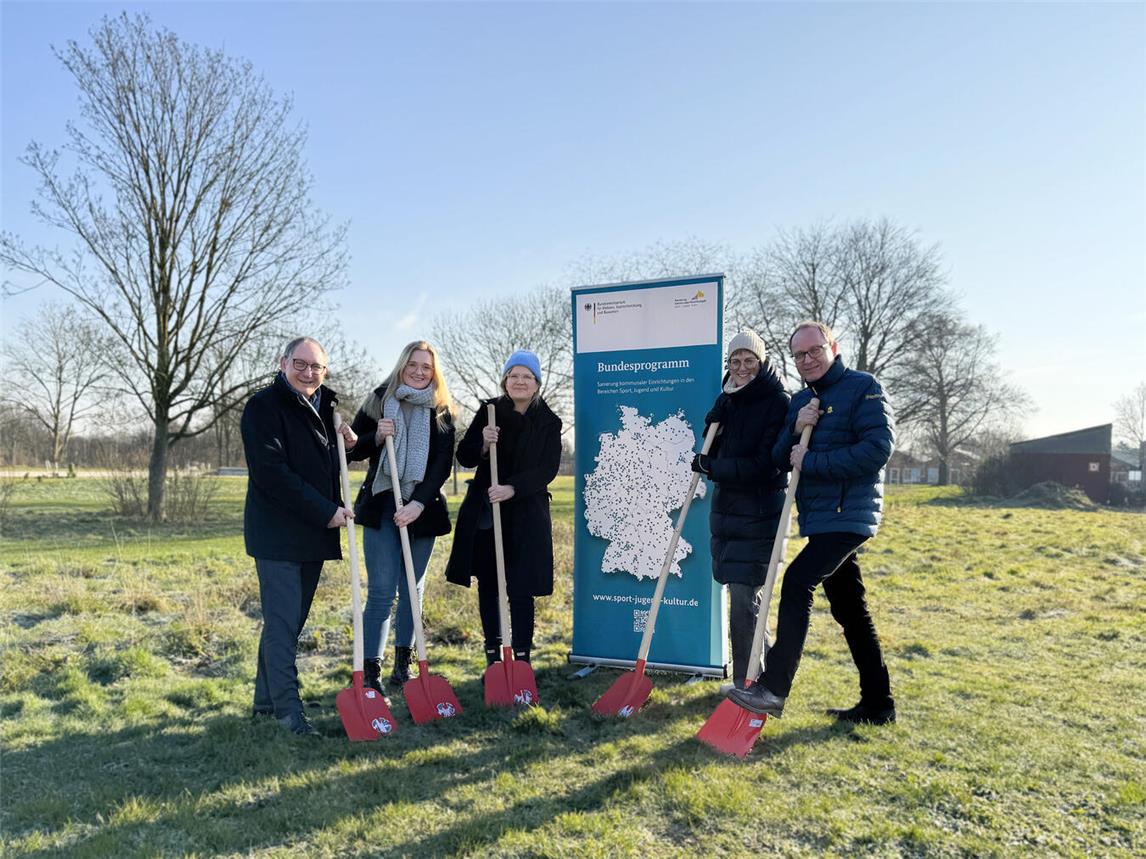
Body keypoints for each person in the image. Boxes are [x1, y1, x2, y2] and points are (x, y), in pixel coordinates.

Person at [726, 320, 897, 725]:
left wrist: (813, 461)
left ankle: (774, 688)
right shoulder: (802, 398)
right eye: (799, 355)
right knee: (850, 608)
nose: (807, 359)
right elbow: (778, 457)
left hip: (849, 515)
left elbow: (878, 449)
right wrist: (798, 426)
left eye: (814, 350)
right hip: (820, 519)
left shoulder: (864, 387)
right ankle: (878, 703)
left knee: (798, 580)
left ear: (832, 347)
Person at [241, 336, 358, 737]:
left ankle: (265, 702)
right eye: (301, 364)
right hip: (277, 535)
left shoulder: (326, 406)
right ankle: (290, 715)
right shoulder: (263, 407)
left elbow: (319, 463)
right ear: (283, 362)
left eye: (317, 367)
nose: (309, 373)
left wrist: (350, 446)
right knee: (283, 623)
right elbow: (273, 474)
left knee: (285, 624)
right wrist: (326, 511)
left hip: (310, 534)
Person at [346, 340, 456, 697]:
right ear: (402, 365)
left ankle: (403, 666)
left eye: (426, 366)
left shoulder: (441, 409)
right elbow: (353, 450)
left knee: (413, 590)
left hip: (422, 511)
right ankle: (370, 670)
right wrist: (375, 435)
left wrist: (418, 504)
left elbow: (442, 464)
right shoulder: (379, 399)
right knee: (380, 592)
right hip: (381, 506)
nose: (420, 371)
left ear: (433, 370)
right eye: (414, 364)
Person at [445, 350, 562, 668]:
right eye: (514, 376)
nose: (520, 381)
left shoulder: (549, 422)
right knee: (491, 585)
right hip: (488, 515)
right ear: (505, 380)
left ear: (537, 383)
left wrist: (512, 488)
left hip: (526, 515)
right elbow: (465, 456)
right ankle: (494, 656)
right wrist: (482, 442)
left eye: (527, 376)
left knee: (521, 586)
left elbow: (547, 469)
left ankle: (522, 658)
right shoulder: (490, 412)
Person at [690, 330, 790, 690]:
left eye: (749, 360)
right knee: (746, 599)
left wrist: (713, 468)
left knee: (745, 598)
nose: (742, 367)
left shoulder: (777, 402)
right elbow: (714, 451)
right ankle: (760, 676)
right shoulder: (728, 400)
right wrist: (711, 425)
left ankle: (744, 686)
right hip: (729, 514)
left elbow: (766, 465)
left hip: (761, 513)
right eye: (735, 361)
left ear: (761, 363)